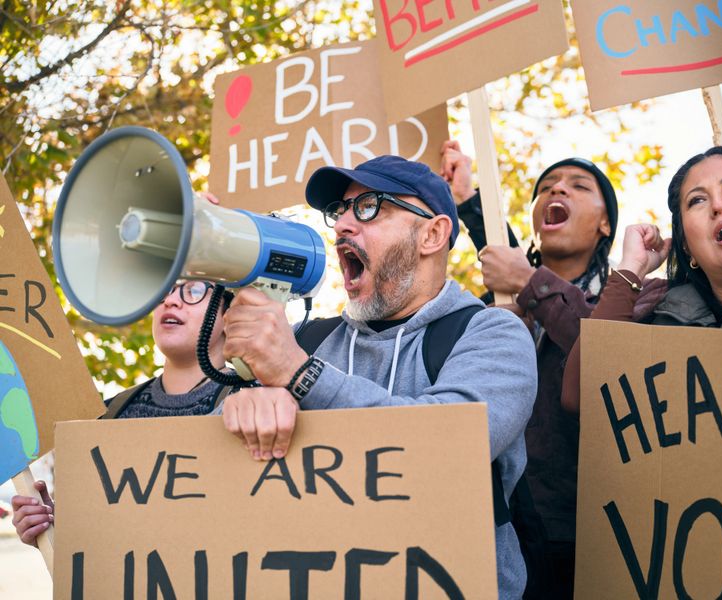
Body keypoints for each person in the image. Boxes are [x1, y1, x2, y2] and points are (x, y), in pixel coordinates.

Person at [219, 155, 538, 599]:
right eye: (339, 211)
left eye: (369, 206)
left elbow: (450, 443)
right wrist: (240, 405)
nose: (343, 225)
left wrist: (299, 376)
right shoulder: (308, 339)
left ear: (432, 234)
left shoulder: (491, 332)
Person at [440, 140, 666, 598]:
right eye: (546, 187)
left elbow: (604, 356)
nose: (556, 189)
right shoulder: (491, 312)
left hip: (594, 533)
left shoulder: (644, 297)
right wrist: (466, 198)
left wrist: (528, 282)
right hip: (500, 529)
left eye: (579, 186)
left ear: (607, 224)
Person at [562, 144, 722, 412]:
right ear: (687, 247)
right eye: (697, 200)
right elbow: (581, 395)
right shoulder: (655, 324)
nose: (719, 206)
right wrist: (631, 269)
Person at [11, 279, 235, 546]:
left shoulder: (260, 402)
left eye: (195, 290)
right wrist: (56, 528)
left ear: (230, 315)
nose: (171, 300)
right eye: (166, 288)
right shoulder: (108, 415)